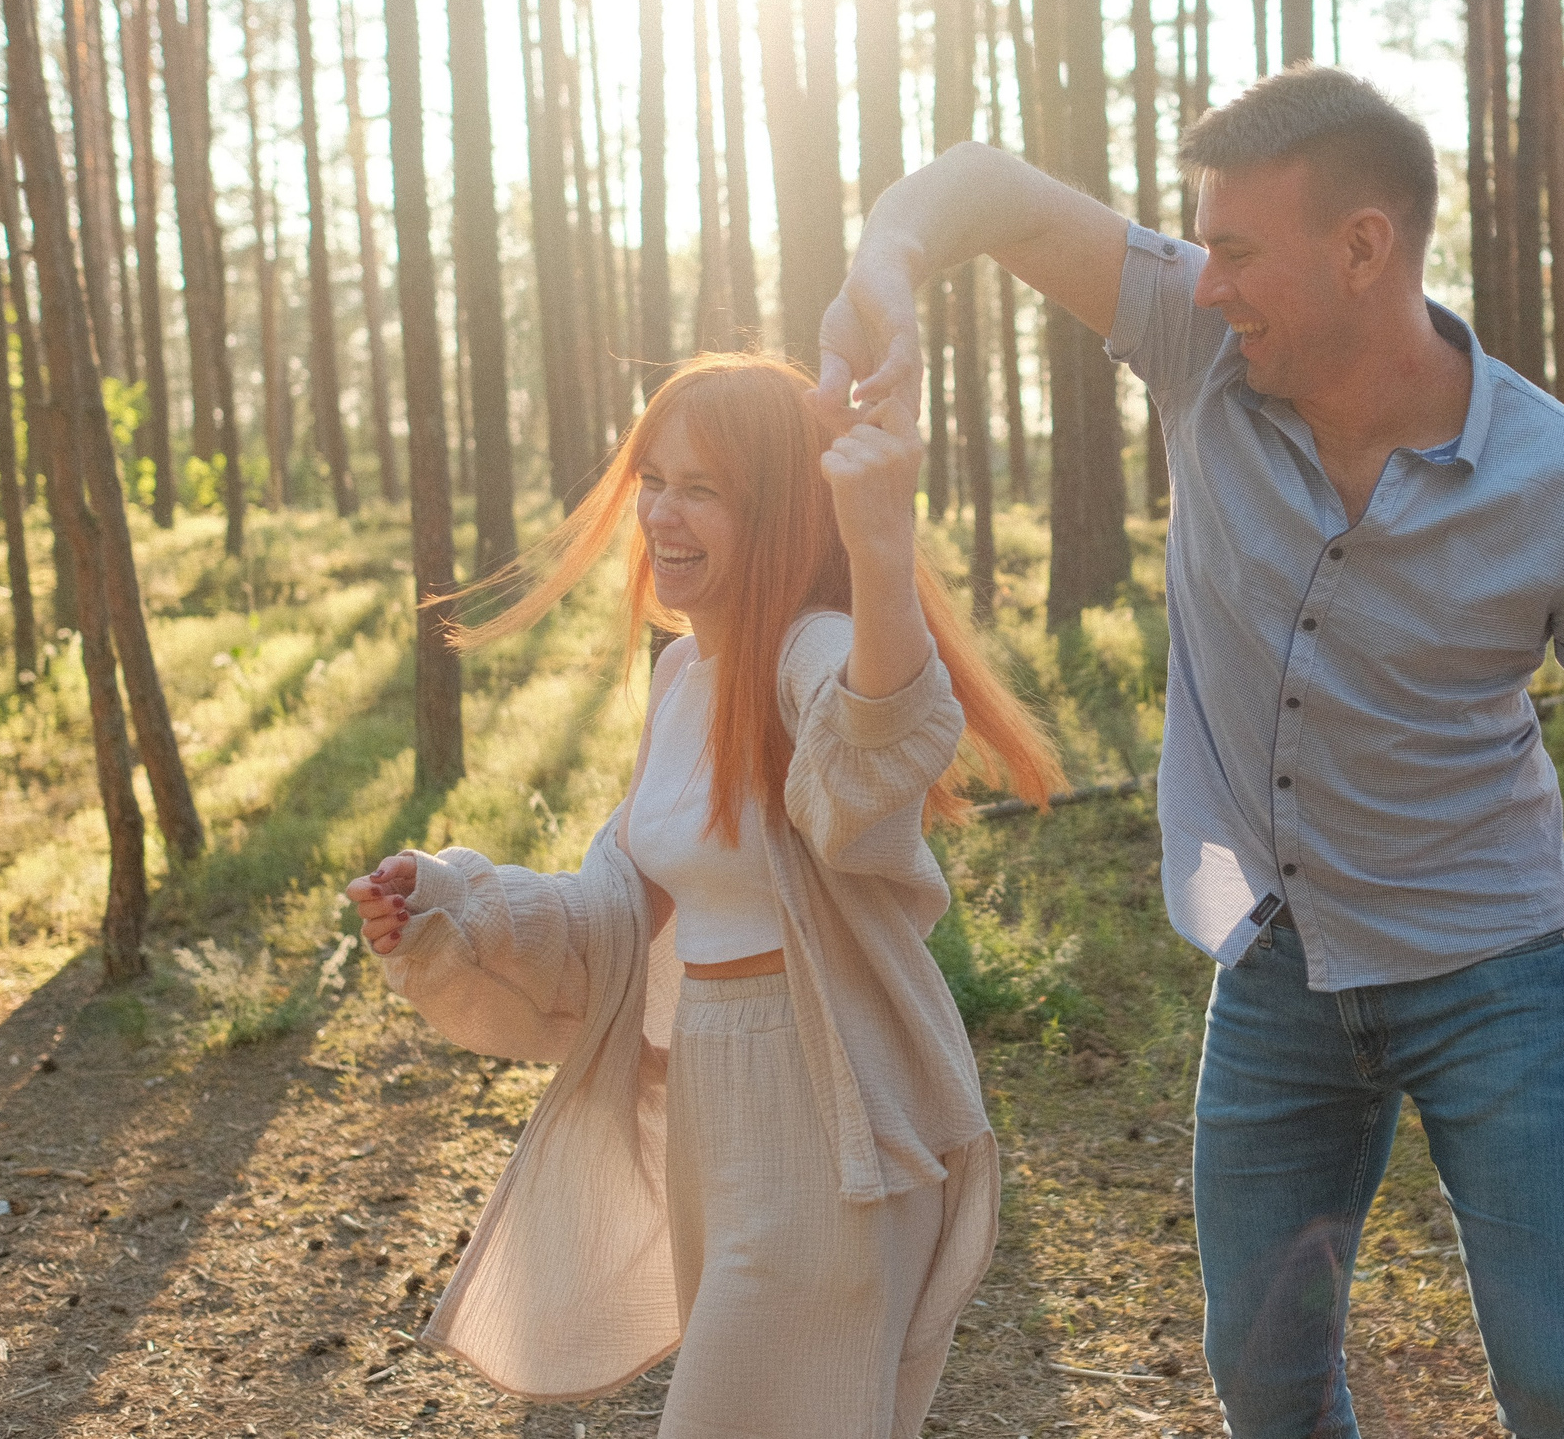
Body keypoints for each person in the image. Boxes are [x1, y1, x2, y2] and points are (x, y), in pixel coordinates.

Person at [818, 66, 1564, 1439]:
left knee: (1558, 1384)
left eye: (1237, 251)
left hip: (1494, 973)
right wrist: (887, 262)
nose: (1208, 284)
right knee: (1267, 1381)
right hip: (1279, 969)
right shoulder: (1197, 347)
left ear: (1362, 248)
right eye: (1202, 248)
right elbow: (990, 189)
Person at [345, 353, 1060, 1436]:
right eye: (654, 481)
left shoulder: (815, 651)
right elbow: (615, 915)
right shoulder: (682, 675)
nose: (662, 516)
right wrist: (449, 902)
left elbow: (871, 756)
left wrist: (880, 540)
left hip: (823, 1113)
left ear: (775, 510)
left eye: (702, 489)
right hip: (713, 1110)